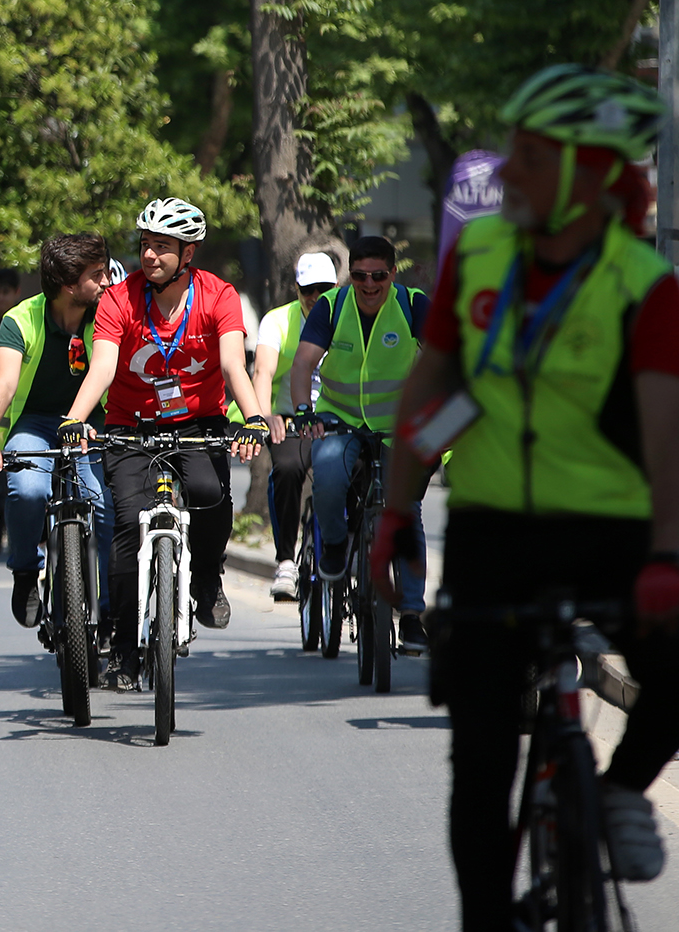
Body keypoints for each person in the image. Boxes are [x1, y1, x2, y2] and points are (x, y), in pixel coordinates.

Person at [382, 65, 679, 920]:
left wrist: (666, 551)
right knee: (478, 758)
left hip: (612, 531)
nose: (505, 173)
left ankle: (622, 789)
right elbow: (431, 397)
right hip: (491, 536)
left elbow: (668, 436)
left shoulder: (640, 284)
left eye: (530, 157)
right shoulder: (477, 257)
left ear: (589, 177)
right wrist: (397, 512)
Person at [61, 198, 267, 689]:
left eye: (162, 246)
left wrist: (255, 417)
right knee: (129, 527)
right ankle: (126, 652)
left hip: (199, 424)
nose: (150, 255)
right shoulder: (117, 299)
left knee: (210, 493)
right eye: (145, 244)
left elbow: (235, 365)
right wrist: (74, 417)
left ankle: (207, 582)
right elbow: (104, 367)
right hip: (129, 428)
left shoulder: (219, 295)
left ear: (187, 252)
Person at [286, 235, 430, 648]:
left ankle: (413, 616)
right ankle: (333, 547)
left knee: (407, 513)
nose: (369, 285)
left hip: (396, 424)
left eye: (378, 276)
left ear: (393, 274)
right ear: (350, 276)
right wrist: (302, 411)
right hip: (339, 417)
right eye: (360, 276)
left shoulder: (413, 305)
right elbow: (302, 363)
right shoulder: (332, 307)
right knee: (328, 476)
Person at [0, 235, 113, 631]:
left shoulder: (105, 315)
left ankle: (110, 610)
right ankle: (25, 573)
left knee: (103, 506)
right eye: (96, 275)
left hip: (87, 424)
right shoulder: (19, 320)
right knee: (28, 490)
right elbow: (4, 384)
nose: (106, 282)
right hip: (34, 422)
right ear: (69, 283)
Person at [251, 251, 337, 599]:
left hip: (337, 418)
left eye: (324, 288)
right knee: (286, 469)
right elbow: (263, 371)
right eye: (308, 289)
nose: (316, 297)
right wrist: (263, 416)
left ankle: (352, 550)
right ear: (296, 289)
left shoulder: (348, 314)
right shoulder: (278, 320)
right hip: (289, 419)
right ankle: (286, 560)